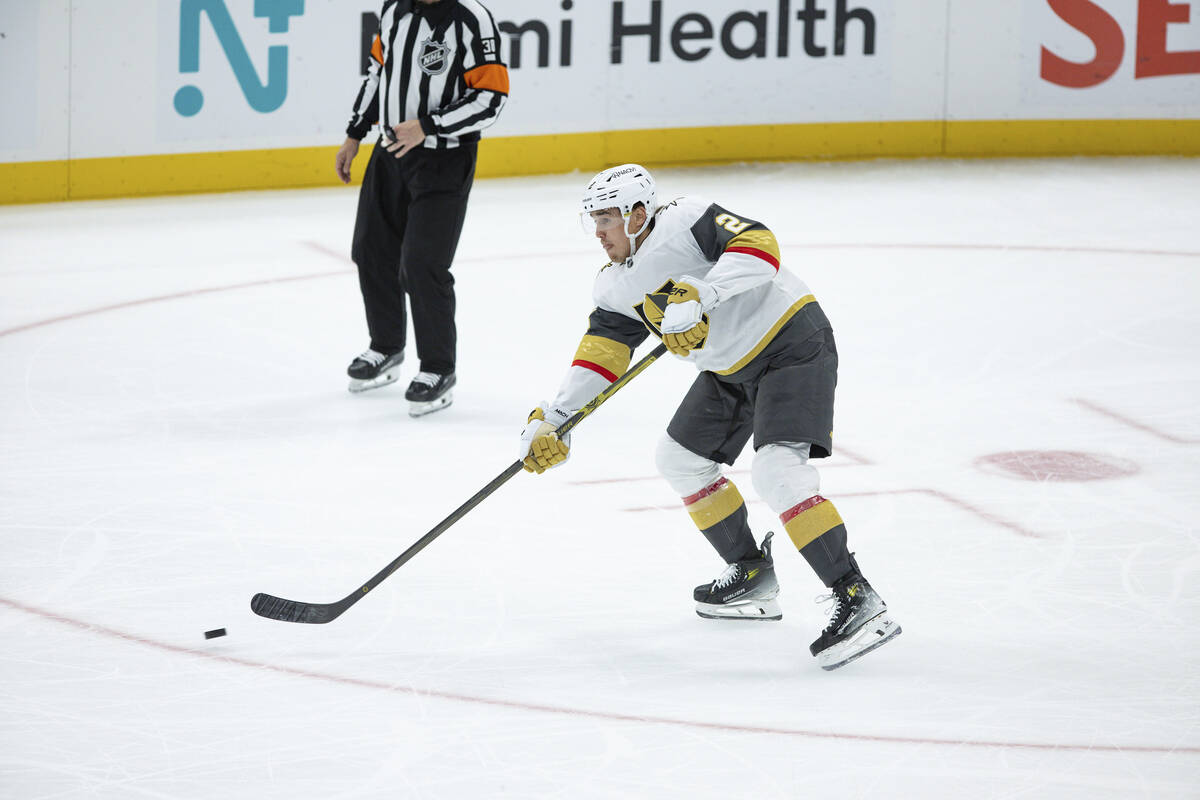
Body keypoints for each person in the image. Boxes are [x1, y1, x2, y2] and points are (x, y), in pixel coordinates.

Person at [517, 164, 902, 671]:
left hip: (791, 343)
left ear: (638, 214)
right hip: (729, 368)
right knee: (679, 459)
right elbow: (604, 353)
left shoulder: (686, 220)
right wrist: (555, 416)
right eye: (593, 220)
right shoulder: (614, 285)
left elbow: (761, 247)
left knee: (777, 472)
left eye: (607, 218)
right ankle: (750, 572)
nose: (599, 232)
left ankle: (856, 595)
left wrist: (703, 293)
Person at [335, 0, 508, 417]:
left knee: (422, 264)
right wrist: (356, 132)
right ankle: (386, 347)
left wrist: (428, 126)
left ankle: (437, 368)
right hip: (390, 153)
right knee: (371, 252)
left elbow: (491, 98)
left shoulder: (472, 19)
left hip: (445, 161)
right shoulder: (394, 10)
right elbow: (378, 72)